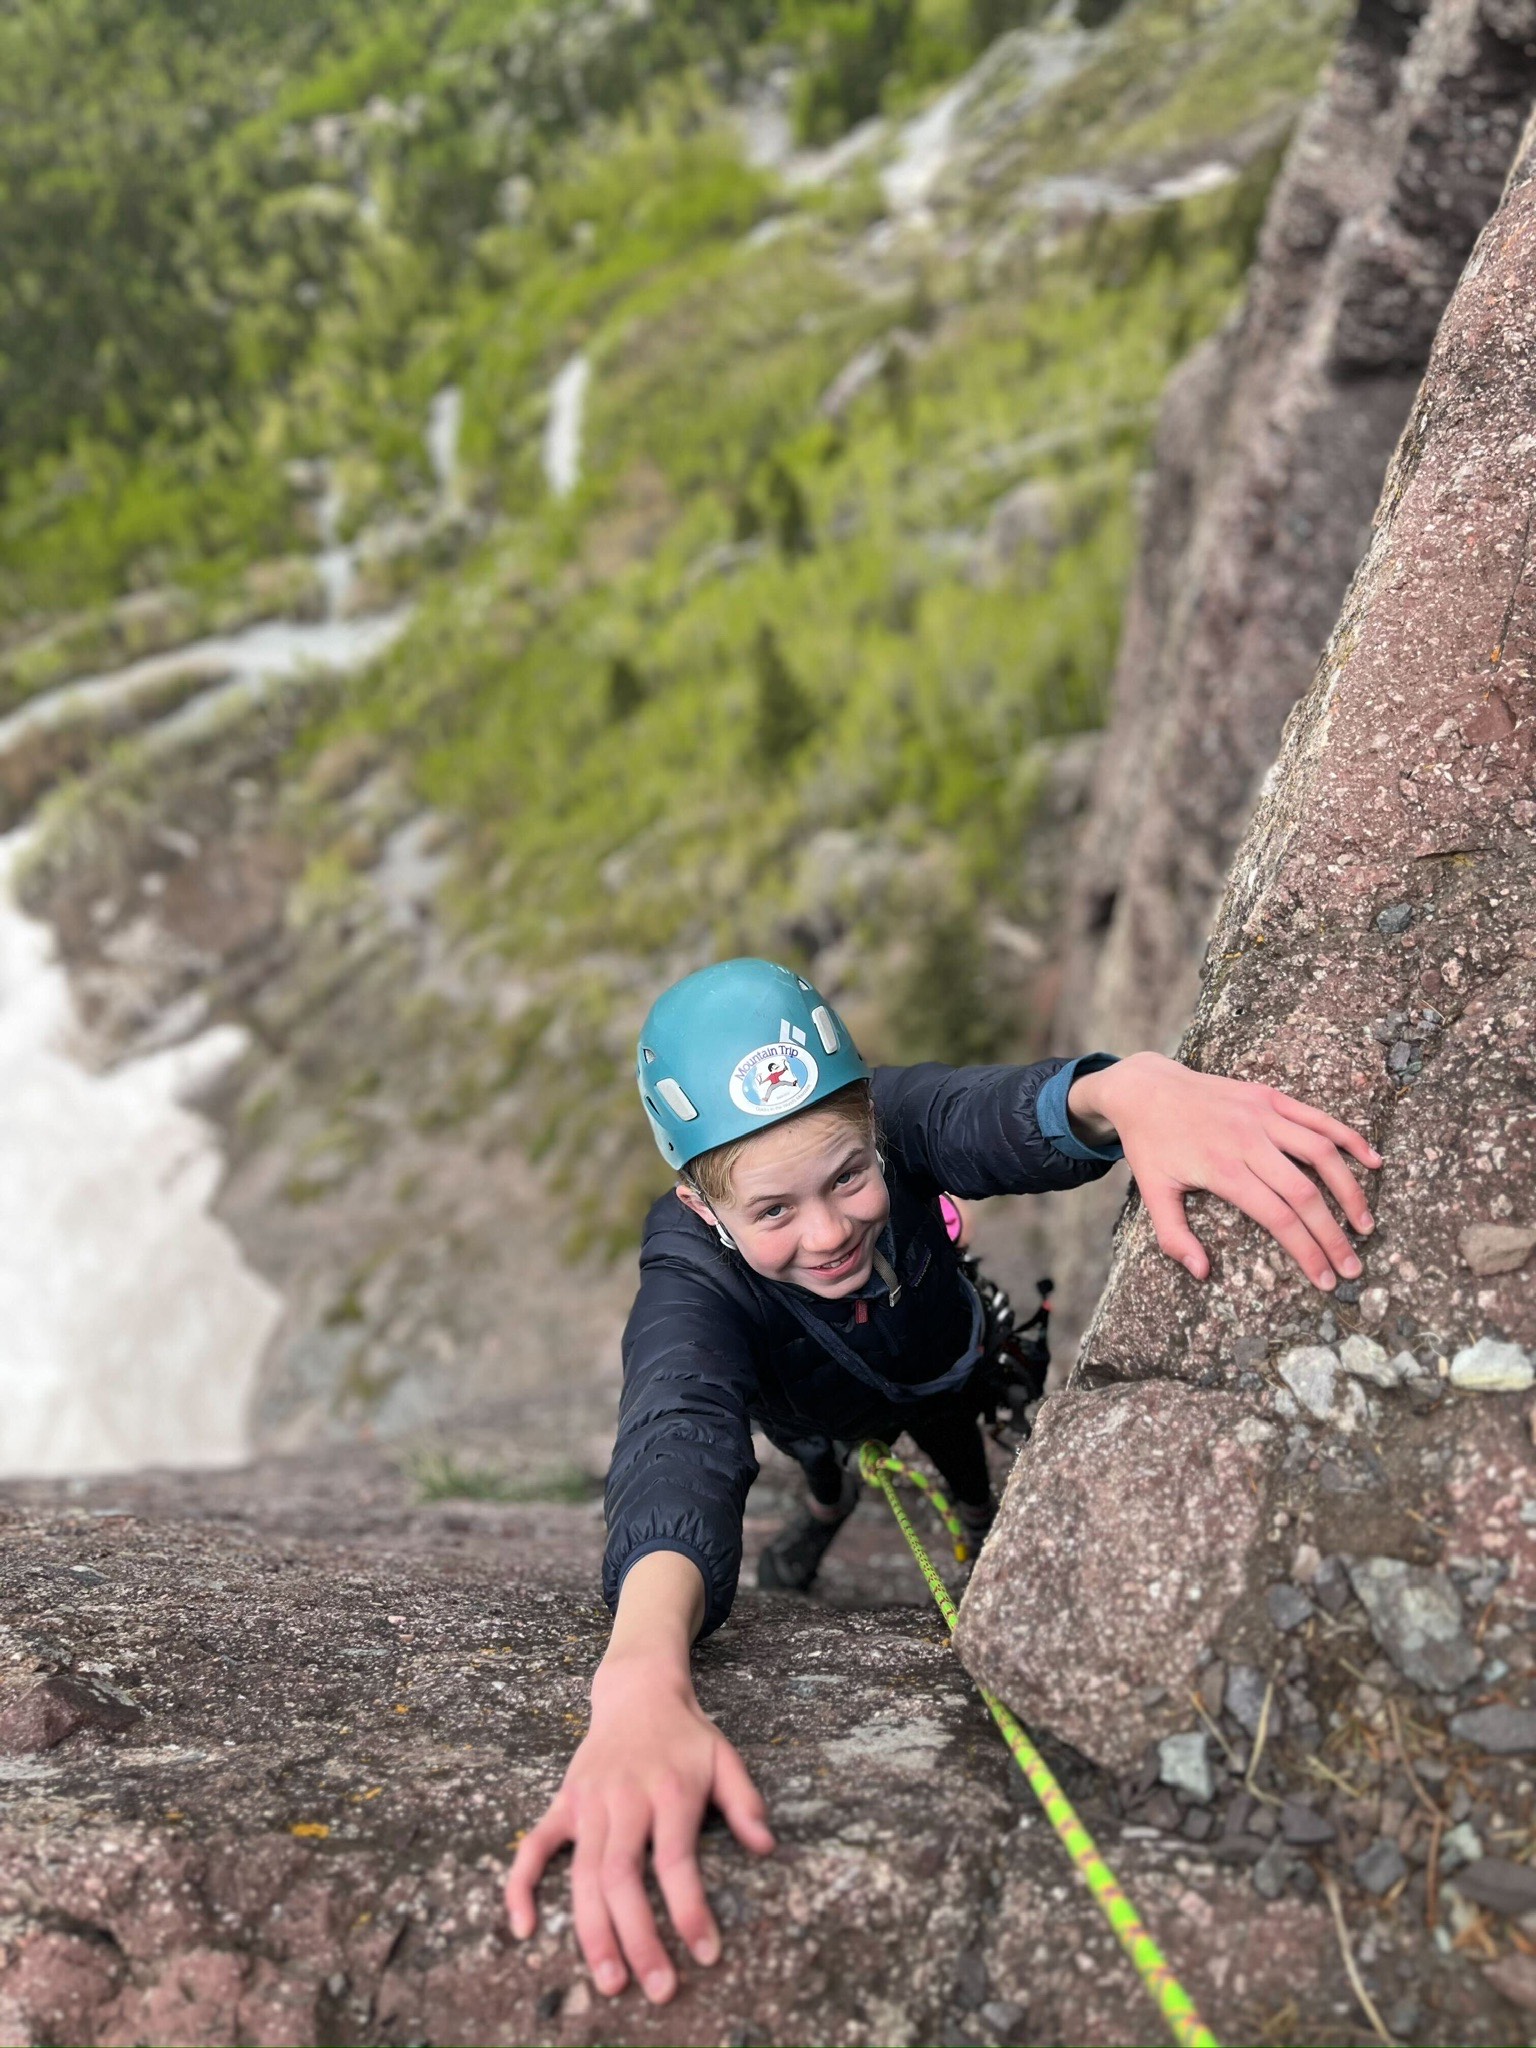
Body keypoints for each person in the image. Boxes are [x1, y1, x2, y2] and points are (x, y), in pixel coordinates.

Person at [507, 957, 1381, 2004]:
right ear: (701, 1205)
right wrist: (643, 1665)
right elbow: (677, 1421)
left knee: (964, 1458)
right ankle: (829, 1512)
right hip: (822, 1411)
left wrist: (1125, 1089)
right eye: (773, 1211)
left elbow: (992, 1113)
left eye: (846, 1177)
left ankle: (973, 1519)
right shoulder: (689, 1267)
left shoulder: (894, 1119)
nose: (829, 1231)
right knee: (824, 1472)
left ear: (871, 1126)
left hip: (942, 1374)